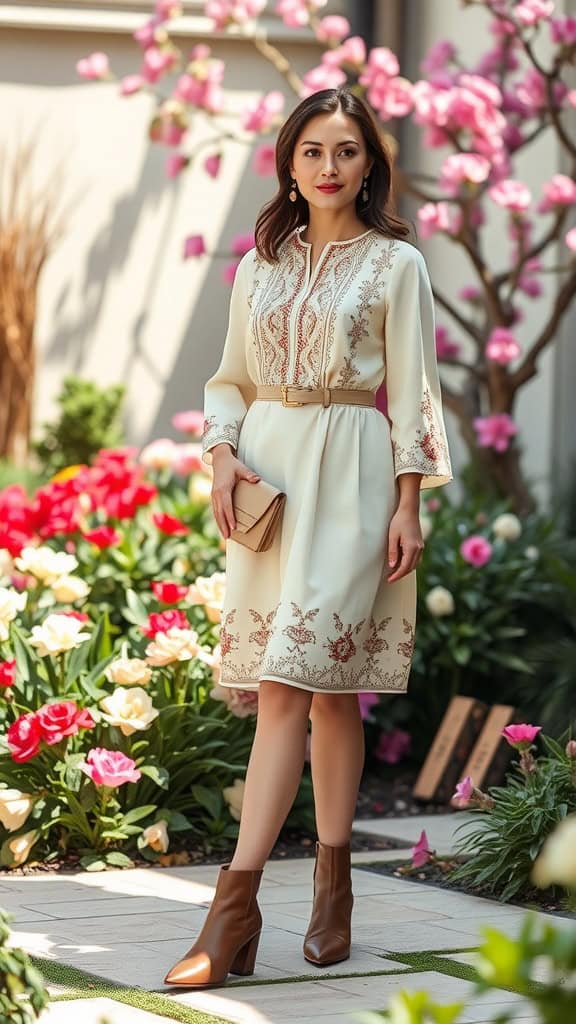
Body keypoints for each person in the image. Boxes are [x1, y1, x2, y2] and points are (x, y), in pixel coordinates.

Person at [164, 86, 452, 989]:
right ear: (289, 162)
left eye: (349, 151)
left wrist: (409, 504)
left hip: (356, 480)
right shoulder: (263, 264)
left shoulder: (397, 266)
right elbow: (227, 381)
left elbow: (413, 394)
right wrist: (221, 460)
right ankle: (332, 893)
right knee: (325, 697)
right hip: (269, 481)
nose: (331, 166)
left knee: (297, 680)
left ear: (371, 166)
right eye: (315, 150)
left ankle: (233, 911)